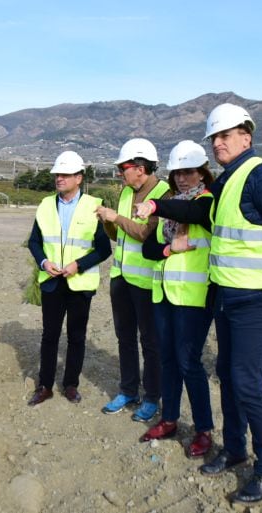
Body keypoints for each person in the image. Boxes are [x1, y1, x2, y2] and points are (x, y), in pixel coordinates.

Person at [134, 104, 262, 504]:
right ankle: (234, 449)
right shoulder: (229, 181)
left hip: (259, 296)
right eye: (214, 137)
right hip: (230, 293)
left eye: (226, 135)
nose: (218, 143)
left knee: (247, 381)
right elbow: (195, 209)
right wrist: (159, 205)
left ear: (247, 137)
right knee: (229, 376)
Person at [139, 140, 215, 459]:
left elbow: (193, 212)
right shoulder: (172, 205)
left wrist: (156, 206)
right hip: (165, 294)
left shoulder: (208, 201)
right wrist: (171, 249)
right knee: (167, 359)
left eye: (189, 172)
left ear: (202, 173)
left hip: (195, 298)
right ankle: (169, 419)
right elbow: (149, 250)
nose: (182, 178)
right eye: (177, 173)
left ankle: (203, 429)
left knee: (189, 362)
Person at [27, 150, 112, 406]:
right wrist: (44, 262)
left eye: (64, 174)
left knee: (76, 336)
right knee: (49, 336)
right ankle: (45, 386)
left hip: (80, 284)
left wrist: (79, 265)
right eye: (57, 174)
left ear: (79, 177)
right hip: (52, 283)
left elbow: (104, 249)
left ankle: (71, 384)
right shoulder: (44, 206)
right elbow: (34, 241)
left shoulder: (93, 206)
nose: (59, 178)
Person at [95, 138, 170, 422]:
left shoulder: (163, 193)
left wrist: (116, 216)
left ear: (140, 168)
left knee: (150, 342)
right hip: (122, 278)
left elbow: (143, 234)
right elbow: (120, 236)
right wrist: (107, 221)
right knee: (124, 338)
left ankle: (152, 397)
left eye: (123, 167)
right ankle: (128, 390)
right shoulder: (127, 192)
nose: (119, 173)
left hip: (147, 281)